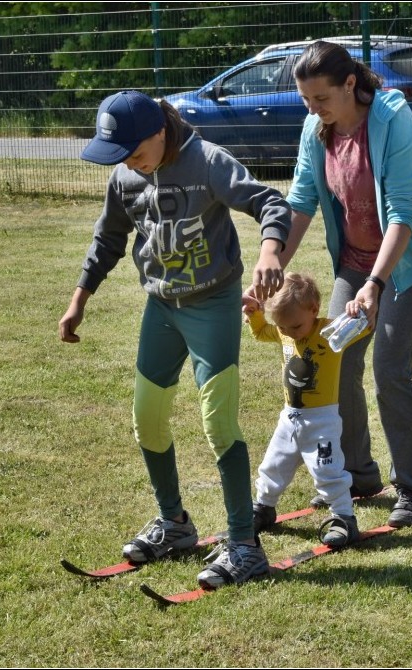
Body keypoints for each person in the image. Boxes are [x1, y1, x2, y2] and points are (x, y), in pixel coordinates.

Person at [58, 90, 291, 589]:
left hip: (213, 305)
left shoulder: (206, 162)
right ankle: (174, 525)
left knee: (218, 423)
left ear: (159, 131)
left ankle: (245, 546)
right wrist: (80, 299)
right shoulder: (125, 176)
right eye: (118, 155)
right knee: (147, 419)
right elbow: (108, 239)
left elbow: (269, 201)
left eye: (133, 151)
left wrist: (270, 252)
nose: (127, 163)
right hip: (162, 307)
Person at [250, 40, 412, 528]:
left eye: (321, 99)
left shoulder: (392, 120)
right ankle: (359, 475)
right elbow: (301, 199)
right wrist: (273, 259)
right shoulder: (314, 126)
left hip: (407, 261)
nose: (313, 109)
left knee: (390, 369)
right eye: (306, 100)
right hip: (354, 261)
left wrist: (376, 284)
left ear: (350, 85)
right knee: (336, 360)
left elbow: (403, 212)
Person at [245, 272, 372, 548]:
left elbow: (365, 326)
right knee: (272, 466)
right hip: (289, 419)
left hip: (321, 422)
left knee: (328, 471)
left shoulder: (331, 333)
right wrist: (254, 313)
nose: (289, 333)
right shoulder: (284, 330)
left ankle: (343, 518)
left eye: (295, 327)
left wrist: (356, 309)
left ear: (314, 310)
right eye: (283, 328)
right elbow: (260, 331)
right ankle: (264, 507)